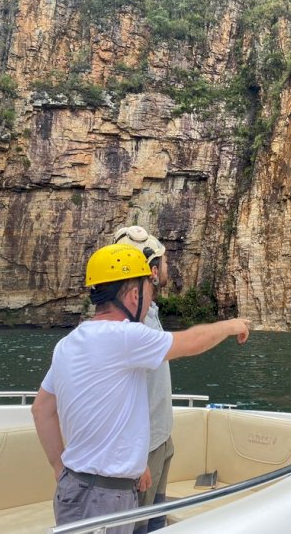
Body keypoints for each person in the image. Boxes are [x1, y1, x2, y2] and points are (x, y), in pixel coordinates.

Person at [32, 243, 249, 534]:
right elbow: (192, 342)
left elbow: (42, 409)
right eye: (149, 290)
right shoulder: (126, 337)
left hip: (72, 489)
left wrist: (61, 469)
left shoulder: (68, 343)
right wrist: (231, 325)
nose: (149, 300)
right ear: (134, 295)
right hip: (106, 501)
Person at [113, 226, 172, 533]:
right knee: (139, 526)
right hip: (145, 451)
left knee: (157, 521)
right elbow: (120, 400)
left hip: (161, 439)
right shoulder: (133, 329)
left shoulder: (148, 315)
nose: (167, 266)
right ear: (150, 270)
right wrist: (138, 460)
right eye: (163, 261)